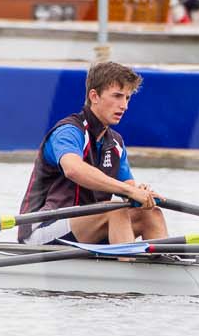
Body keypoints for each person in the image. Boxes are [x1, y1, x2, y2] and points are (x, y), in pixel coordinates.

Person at [15, 60, 168, 247]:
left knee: (151, 213)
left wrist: (141, 193)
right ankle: (128, 269)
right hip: (41, 228)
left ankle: (162, 266)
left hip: (87, 226)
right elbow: (73, 170)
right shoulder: (68, 131)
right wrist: (129, 191)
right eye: (118, 96)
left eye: (127, 98)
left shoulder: (115, 143)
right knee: (115, 211)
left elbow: (128, 189)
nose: (124, 106)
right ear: (94, 96)